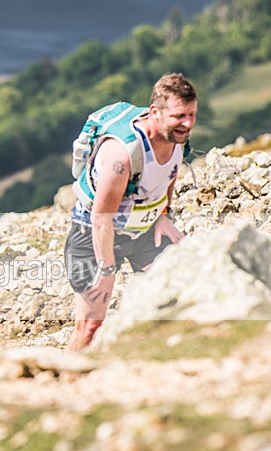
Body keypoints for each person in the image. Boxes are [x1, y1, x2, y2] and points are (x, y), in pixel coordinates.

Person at [65, 73, 197, 350]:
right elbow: (101, 218)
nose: (187, 123)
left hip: (143, 230)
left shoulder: (176, 137)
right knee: (90, 327)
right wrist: (107, 270)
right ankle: (65, 373)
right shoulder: (122, 157)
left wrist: (164, 214)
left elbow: (169, 173)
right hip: (93, 235)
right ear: (155, 112)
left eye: (191, 114)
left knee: (175, 298)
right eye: (178, 116)